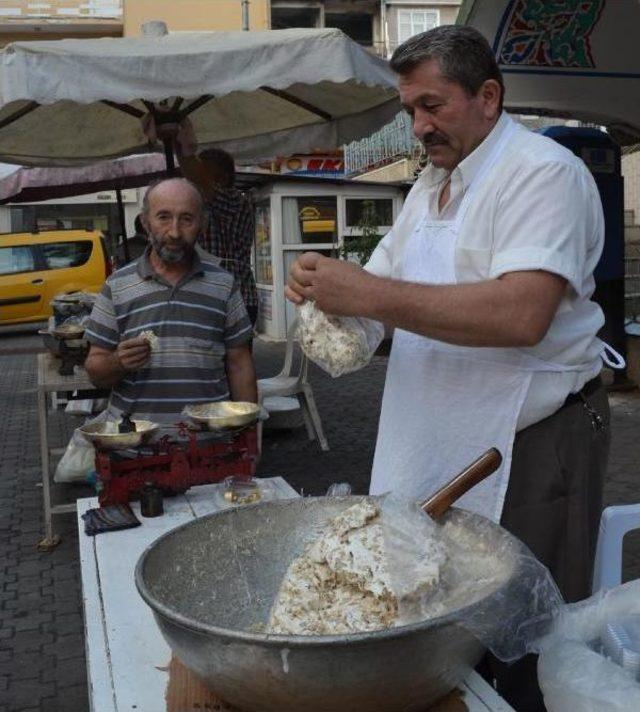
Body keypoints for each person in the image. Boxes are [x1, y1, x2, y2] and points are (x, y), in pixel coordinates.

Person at [286, 25, 617, 711]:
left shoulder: (541, 174)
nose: (419, 127)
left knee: (526, 634)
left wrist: (367, 294)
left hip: (531, 448)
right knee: (449, 624)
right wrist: (332, 305)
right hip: (444, 439)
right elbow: (377, 311)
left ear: (488, 96)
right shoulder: (431, 190)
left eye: (432, 105)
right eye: (410, 110)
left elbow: (521, 314)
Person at [84, 177, 257, 431]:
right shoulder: (116, 286)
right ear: (145, 223)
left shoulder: (224, 285)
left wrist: (249, 433)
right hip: (135, 449)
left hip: (211, 447)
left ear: (202, 225)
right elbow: (95, 372)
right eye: (163, 217)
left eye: (186, 219)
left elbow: (240, 364)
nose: (174, 232)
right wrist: (117, 362)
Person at [172, 119, 259, 328]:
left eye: (201, 174)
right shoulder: (201, 207)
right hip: (210, 299)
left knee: (233, 360)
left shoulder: (234, 201)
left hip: (236, 300)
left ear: (222, 176)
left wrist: (183, 148)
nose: (191, 181)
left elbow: (200, 181)